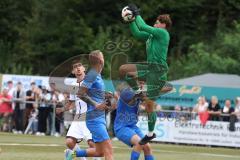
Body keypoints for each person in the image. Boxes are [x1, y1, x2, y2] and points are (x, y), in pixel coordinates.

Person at [119, 3, 173, 144]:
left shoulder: (162, 33)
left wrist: (135, 14)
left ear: (163, 25)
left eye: (157, 22)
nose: (155, 24)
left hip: (158, 71)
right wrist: (131, 21)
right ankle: (138, 91)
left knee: (149, 106)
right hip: (151, 69)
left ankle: (150, 133)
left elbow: (142, 26)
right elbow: (137, 33)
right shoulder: (151, 36)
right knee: (125, 71)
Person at [67, 50, 113, 160]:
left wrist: (105, 95)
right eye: (103, 57)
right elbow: (80, 93)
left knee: (99, 152)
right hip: (95, 119)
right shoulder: (92, 74)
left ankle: (72, 154)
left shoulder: (97, 74)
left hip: (99, 117)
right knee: (109, 151)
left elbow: (91, 92)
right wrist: (96, 104)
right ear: (101, 60)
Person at [60, 60, 100, 160]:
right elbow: (72, 103)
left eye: (80, 66)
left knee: (93, 145)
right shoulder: (73, 85)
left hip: (89, 117)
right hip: (78, 118)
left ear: (84, 69)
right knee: (69, 142)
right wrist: (62, 109)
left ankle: (76, 155)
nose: (78, 68)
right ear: (73, 71)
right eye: (75, 67)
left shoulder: (90, 82)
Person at [114, 88, 154, 160]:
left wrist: (148, 100)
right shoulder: (127, 91)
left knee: (147, 147)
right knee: (139, 143)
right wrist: (139, 95)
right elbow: (129, 99)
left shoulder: (139, 96)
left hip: (133, 127)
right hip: (121, 127)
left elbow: (149, 110)